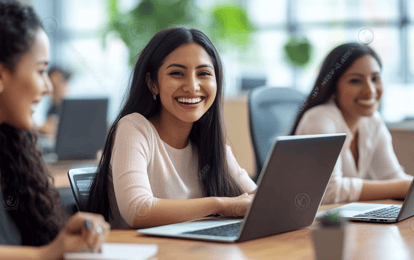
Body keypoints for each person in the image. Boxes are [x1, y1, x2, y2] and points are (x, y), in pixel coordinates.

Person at [86, 26, 257, 229]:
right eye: (177, 73)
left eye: (203, 73)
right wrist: (221, 204)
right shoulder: (134, 128)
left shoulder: (211, 144)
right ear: (152, 83)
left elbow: (259, 199)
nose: (192, 86)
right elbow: (138, 210)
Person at [0, 1, 109, 259]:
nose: (48, 87)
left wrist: (59, 235)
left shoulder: (11, 147)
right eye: (40, 71)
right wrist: (46, 253)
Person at [290, 43, 413, 204]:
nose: (370, 90)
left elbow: (392, 177)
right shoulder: (319, 119)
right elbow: (328, 191)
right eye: (355, 81)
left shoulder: (372, 121)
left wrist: (405, 186)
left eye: (375, 78)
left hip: (340, 218)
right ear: (333, 87)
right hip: (307, 223)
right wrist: (402, 187)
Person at [38, 66, 72, 136]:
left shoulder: (75, 108)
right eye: (53, 85)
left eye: (59, 83)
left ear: (66, 84)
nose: (56, 89)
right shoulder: (52, 110)